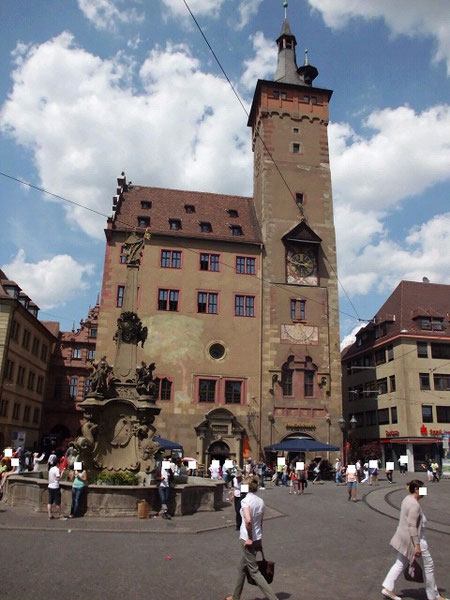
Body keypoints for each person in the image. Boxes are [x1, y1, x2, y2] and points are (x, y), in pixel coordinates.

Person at [381, 479, 448, 600]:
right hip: (415, 540)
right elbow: (412, 526)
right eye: (423, 488)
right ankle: (434, 596)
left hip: (403, 538)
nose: (425, 491)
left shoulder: (407, 499)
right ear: (416, 489)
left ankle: (387, 588)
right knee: (428, 566)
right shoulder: (414, 505)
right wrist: (417, 545)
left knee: (400, 563)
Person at [225, 477, 277, 600]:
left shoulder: (245, 501)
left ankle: (273, 598)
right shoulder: (261, 501)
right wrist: (259, 539)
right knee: (242, 568)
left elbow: (248, 520)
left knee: (254, 571)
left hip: (248, 539)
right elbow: (260, 522)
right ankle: (235, 596)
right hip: (257, 537)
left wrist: (249, 538)